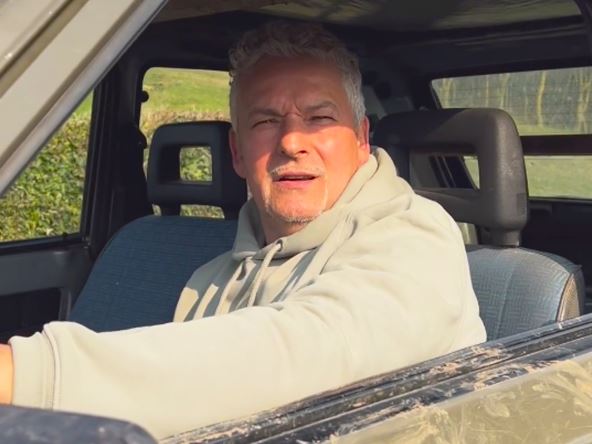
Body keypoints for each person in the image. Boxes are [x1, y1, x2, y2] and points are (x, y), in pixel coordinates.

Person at [0, 21, 486, 440]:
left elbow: (306, 354)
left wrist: (30, 374)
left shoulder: (418, 239)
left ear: (361, 139)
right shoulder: (211, 279)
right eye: (266, 121)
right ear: (236, 152)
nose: (292, 141)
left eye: (320, 118)